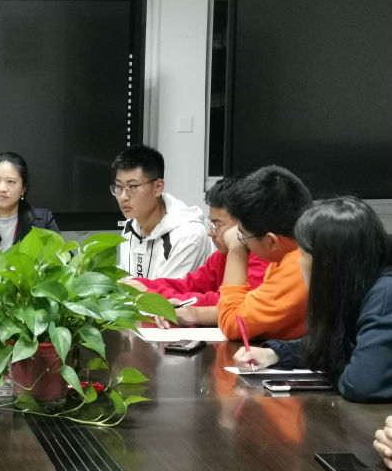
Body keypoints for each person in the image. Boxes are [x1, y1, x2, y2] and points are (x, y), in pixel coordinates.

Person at [233, 197, 392, 402]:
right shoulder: (358, 284)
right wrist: (274, 354)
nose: (299, 262)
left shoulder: (384, 296)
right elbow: (334, 345)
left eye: (303, 253)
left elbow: (361, 385)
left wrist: (337, 368)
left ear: (328, 262)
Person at [129, 177, 269, 327]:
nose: (210, 232)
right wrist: (139, 284)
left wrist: (152, 294)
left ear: (243, 224)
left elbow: (225, 303)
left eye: (217, 225)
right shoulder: (221, 256)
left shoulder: (263, 257)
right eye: (210, 223)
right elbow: (189, 285)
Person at [217, 165, 312, 341]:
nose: (241, 239)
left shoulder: (298, 265)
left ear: (271, 241)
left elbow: (232, 323)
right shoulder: (293, 252)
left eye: (243, 235)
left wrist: (237, 250)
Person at [112, 144, 214, 279]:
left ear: (158, 188)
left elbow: (168, 291)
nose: (123, 197)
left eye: (133, 187)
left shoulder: (188, 235)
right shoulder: (130, 227)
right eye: (119, 186)